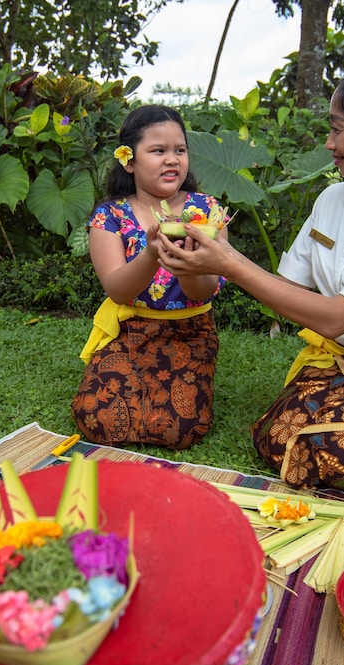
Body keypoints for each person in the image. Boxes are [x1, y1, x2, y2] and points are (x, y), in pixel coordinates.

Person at [157, 58, 344, 493]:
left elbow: (336, 318)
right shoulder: (332, 199)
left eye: (338, 129)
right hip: (337, 356)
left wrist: (229, 263)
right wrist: (216, 254)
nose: (329, 143)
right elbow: (289, 290)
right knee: (273, 437)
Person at [72, 105, 227, 450]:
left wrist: (187, 264)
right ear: (129, 160)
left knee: (180, 429)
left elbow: (204, 291)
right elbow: (117, 290)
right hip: (130, 331)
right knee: (96, 417)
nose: (172, 159)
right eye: (158, 151)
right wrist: (151, 254)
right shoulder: (110, 215)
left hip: (190, 333)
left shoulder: (207, 212)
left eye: (180, 150)